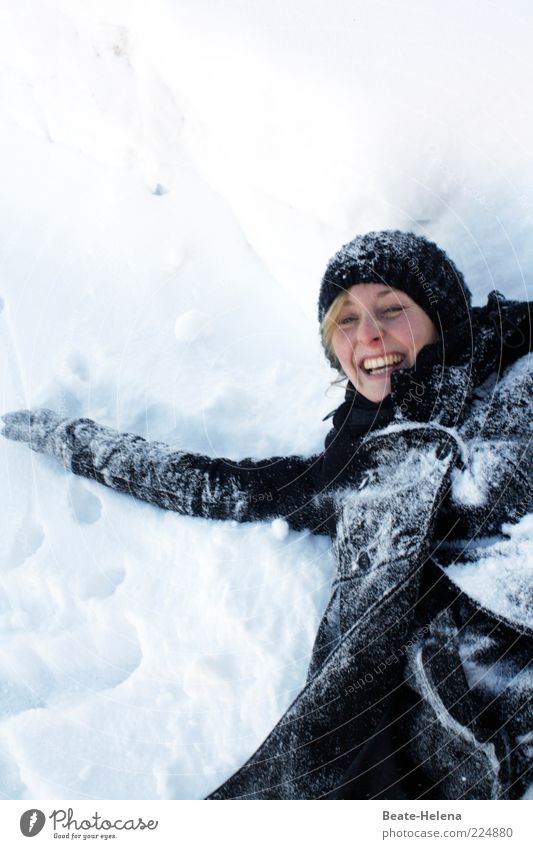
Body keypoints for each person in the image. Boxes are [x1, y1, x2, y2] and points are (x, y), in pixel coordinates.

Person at [2, 230, 532, 800]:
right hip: (437, 760)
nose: (368, 335)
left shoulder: (520, 384)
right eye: (346, 321)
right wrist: (76, 442)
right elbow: (219, 485)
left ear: (441, 317)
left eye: (391, 309)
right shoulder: (351, 467)